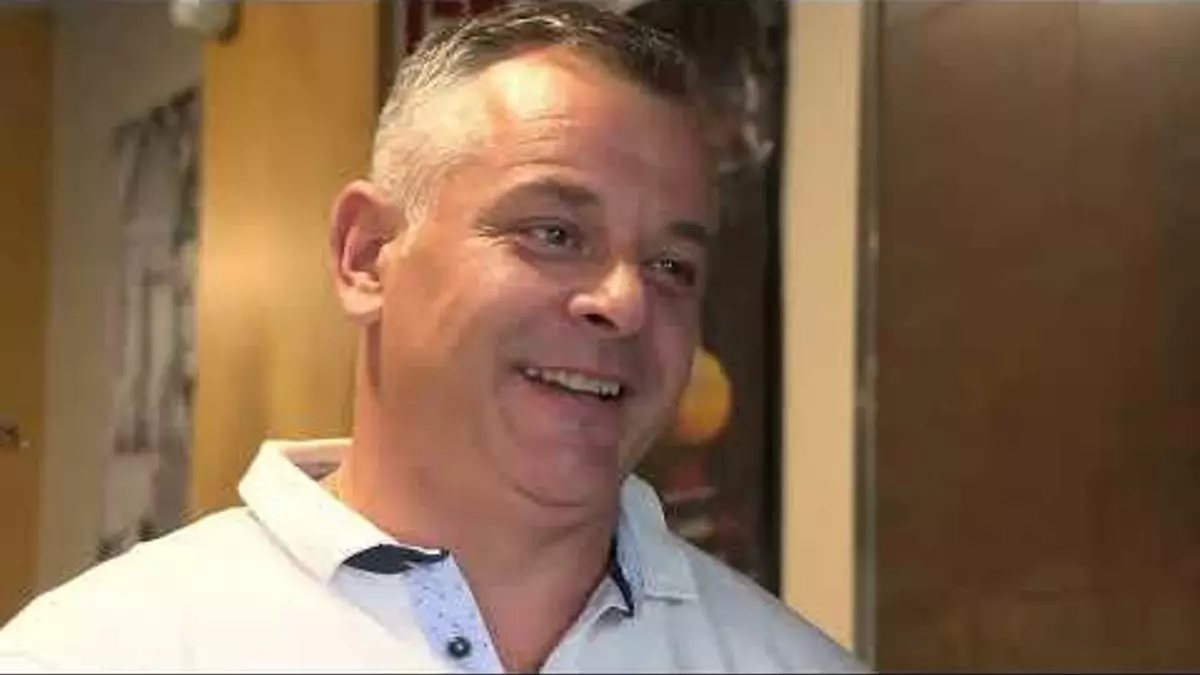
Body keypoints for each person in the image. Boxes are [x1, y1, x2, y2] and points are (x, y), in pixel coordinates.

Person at [0, 2, 864, 672]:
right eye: (554, 232)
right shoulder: (95, 653)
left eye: (672, 264)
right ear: (367, 255)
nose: (625, 301)